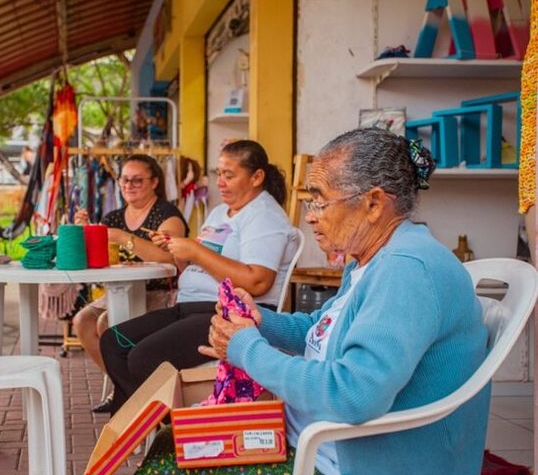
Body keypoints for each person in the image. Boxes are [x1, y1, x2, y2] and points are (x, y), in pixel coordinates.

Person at [195, 128, 488, 474]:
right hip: (309, 442)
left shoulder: (405, 269)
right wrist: (260, 321)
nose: (310, 216)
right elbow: (321, 329)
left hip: (343, 462)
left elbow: (354, 394)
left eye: (319, 201)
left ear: (373, 204)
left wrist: (247, 350)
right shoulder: (370, 259)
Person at [100, 140, 298, 415]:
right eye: (219, 174)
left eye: (229, 175)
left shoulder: (264, 216)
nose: (220, 183)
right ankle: (136, 422)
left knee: (143, 358)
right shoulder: (219, 213)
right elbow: (199, 263)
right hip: (189, 307)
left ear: (257, 177)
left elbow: (257, 282)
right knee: (112, 342)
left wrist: (195, 250)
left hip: (227, 314)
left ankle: (163, 426)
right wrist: (178, 249)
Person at [72, 154, 188, 412]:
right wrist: (85, 231)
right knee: (82, 321)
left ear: (154, 182)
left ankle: (130, 396)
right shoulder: (113, 217)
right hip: (118, 292)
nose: (129, 185)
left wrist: (123, 238)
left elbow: (169, 257)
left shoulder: (168, 216)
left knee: (106, 323)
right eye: (124, 180)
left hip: (160, 294)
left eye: (137, 180)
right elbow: (96, 257)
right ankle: (127, 388)